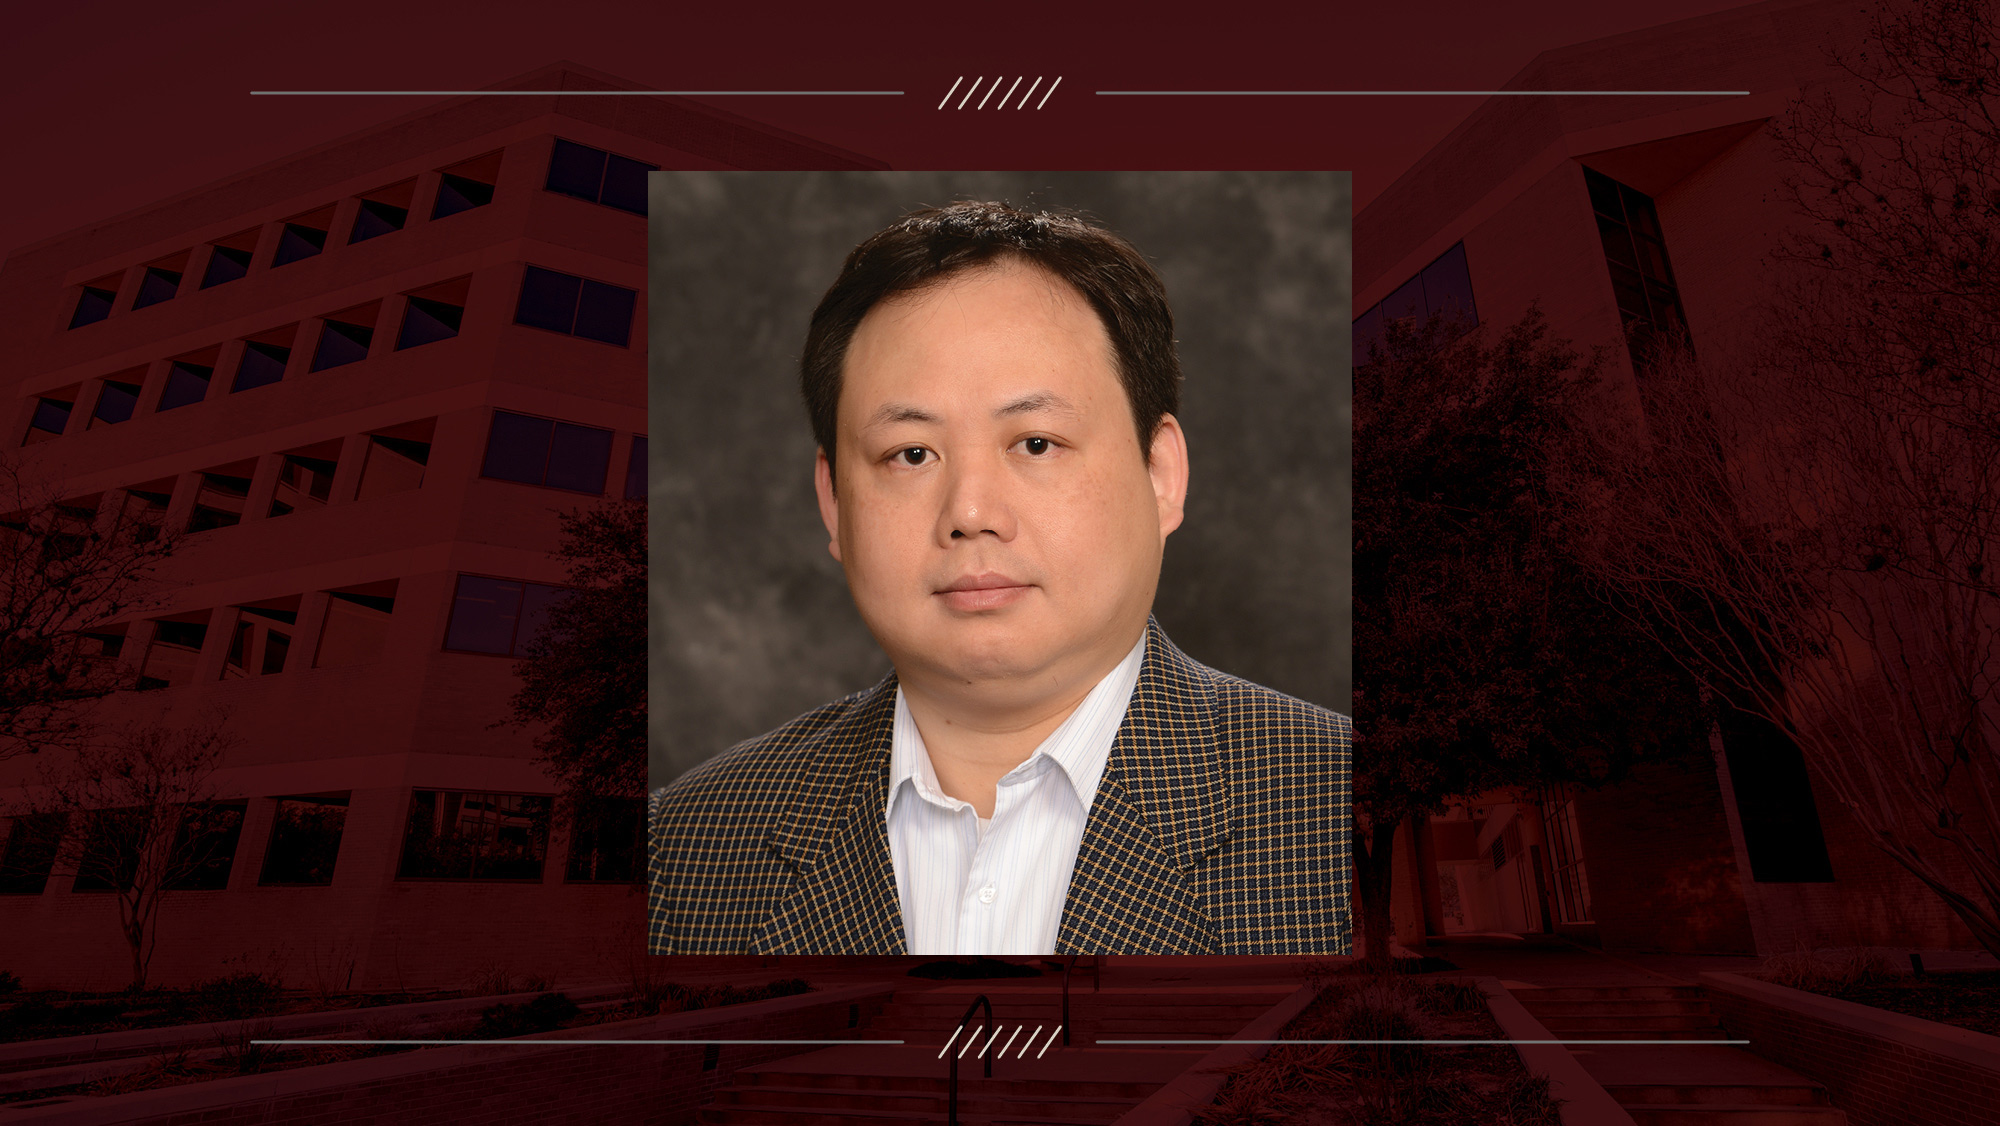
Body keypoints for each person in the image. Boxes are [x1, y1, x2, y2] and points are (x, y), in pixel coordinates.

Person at [648, 200, 1350, 955]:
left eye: (1037, 442)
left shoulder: (1339, 814)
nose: (971, 512)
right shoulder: (679, 851)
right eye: (911, 454)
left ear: (1160, 474)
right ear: (834, 503)